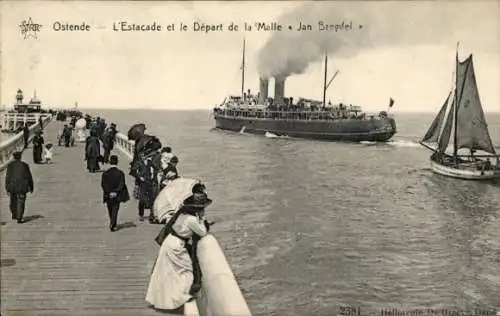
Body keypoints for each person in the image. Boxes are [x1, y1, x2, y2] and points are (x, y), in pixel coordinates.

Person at [146, 184, 214, 310]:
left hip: (170, 242)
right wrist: (202, 219)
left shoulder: (183, 215)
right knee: (186, 270)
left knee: (168, 271)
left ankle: (168, 299)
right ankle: (180, 297)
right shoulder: (192, 220)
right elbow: (203, 232)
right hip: (176, 245)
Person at [101, 155, 130, 231]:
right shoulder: (120, 173)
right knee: (115, 209)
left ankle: (112, 222)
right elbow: (122, 184)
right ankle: (113, 223)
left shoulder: (105, 173)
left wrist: (109, 192)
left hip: (108, 195)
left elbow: (103, 184)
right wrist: (116, 192)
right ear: (117, 162)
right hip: (117, 195)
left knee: (110, 209)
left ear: (110, 162)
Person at [5, 151, 34, 223]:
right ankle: (19, 217)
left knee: (13, 201)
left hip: (12, 186)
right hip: (22, 186)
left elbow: (8, 177)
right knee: (21, 201)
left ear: (14, 157)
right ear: (20, 157)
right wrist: (31, 186)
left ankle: (14, 214)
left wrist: (7, 187)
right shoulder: (25, 165)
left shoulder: (10, 165)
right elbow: (29, 177)